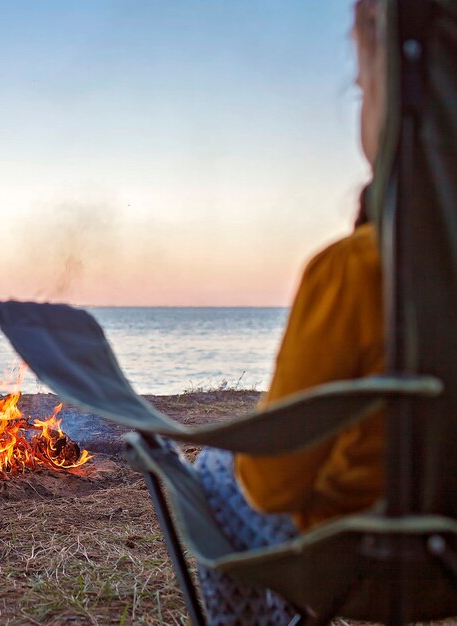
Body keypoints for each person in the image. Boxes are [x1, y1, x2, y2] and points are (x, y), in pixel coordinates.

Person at [194, 1, 386, 624]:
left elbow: (273, 487)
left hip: (368, 557)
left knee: (220, 474)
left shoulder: (358, 269)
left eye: (363, 86)